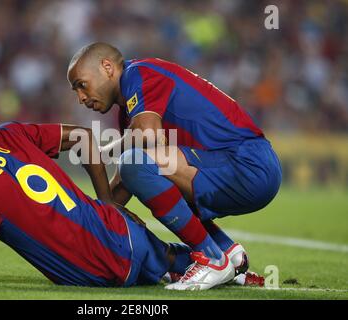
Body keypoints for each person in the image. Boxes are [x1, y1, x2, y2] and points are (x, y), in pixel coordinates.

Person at [67, 42, 281, 290]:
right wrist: (82, 226)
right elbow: (122, 188)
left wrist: (101, 153)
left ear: (107, 67)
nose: (81, 98)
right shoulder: (130, 110)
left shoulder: (139, 74)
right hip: (234, 166)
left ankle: (211, 258)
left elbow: (145, 138)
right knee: (141, 169)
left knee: (136, 162)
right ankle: (226, 251)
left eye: (81, 85)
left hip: (247, 163)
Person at [0, 121, 193, 287]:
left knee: (169, 268)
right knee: (189, 261)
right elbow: (82, 136)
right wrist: (107, 201)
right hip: (125, 232)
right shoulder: (1, 135)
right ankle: (222, 260)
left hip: (99, 273)